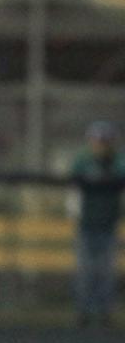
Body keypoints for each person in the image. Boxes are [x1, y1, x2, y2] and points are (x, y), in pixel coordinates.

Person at [69, 120, 125, 328]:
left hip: (109, 225)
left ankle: (104, 313)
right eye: (97, 140)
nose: (100, 145)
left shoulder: (117, 161)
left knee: (106, 272)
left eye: (105, 141)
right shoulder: (83, 161)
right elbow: (73, 184)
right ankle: (82, 313)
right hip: (86, 225)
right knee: (85, 271)